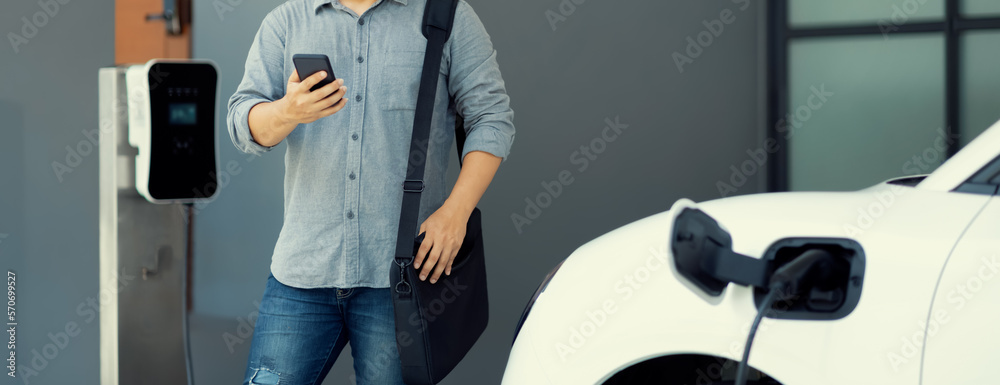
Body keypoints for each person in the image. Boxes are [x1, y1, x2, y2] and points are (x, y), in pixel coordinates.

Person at [226, 0, 514, 383]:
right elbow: (242, 123)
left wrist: (455, 212)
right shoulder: (287, 20)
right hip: (303, 270)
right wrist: (286, 112)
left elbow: (491, 118)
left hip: (398, 279)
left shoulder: (448, 16)